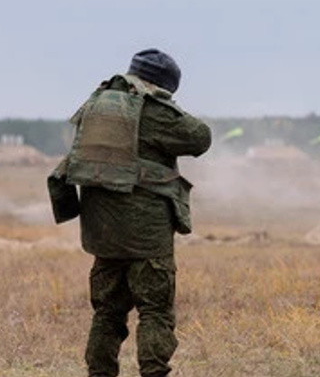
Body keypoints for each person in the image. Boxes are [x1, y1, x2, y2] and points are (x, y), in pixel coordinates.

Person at [48, 48, 212, 377]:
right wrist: (166, 103)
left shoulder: (96, 103)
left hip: (102, 231)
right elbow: (199, 137)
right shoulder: (151, 109)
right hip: (145, 233)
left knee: (107, 313)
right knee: (155, 311)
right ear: (161, 84)